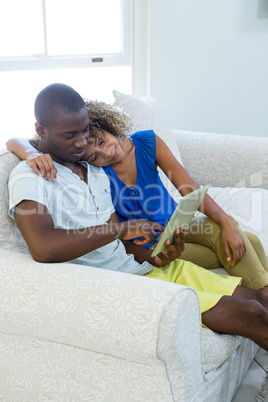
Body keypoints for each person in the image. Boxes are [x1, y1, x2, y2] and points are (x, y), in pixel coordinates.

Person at [7, 83, 268, 351]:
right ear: (40, 130)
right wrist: (123, 229)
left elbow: (117, 248)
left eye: (86, 131)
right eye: (71, 135)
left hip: (145, 267)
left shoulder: (94, 171)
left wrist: (158, 257)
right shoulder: (30, 177)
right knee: (252, 314)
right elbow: (43, 247)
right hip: (124, 287)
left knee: (259, 301)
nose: (82, 142)